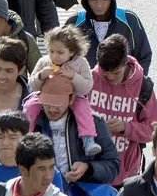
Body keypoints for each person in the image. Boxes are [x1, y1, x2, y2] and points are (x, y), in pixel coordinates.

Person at [88, 34, 157, 188]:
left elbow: (153, 130)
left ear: (125, 62)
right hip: (91, 173)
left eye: (116, 73)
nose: (110, 78)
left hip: (125, 175)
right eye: (105, 73)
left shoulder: (143, 86)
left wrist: (126, 127)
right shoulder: (89, 80)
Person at [22, 26, 101, 158]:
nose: (55, 56)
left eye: (60, 52)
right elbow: (33, 86)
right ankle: (24, 135)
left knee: (83, 108)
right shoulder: (43, 62)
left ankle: (88, 139)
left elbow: (87, 87)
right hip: (44, 96)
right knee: (30, 106)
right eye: (51, 51)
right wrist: (41, 76)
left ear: (71, 51)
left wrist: (73, 76)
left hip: (72, 97)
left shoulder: (81, 63)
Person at [73, 0, 153, 73]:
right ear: (86, 1)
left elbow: (143, 55)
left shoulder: (129, 20)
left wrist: (135, 80)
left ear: (111, 0)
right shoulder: (75, 22)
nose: (99, 5)